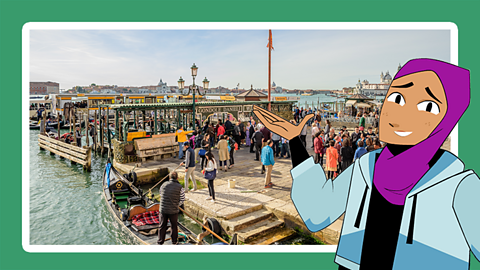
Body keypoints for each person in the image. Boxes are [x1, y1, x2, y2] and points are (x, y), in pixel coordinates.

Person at [253, 58, 480, 269]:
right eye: (398, 98)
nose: (402, 113)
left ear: (448, 118)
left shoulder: (459, 186)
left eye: (427, 106)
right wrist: (295, 141)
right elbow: (317, 213)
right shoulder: (365, 167)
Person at [157, 172, 185, 245]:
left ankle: (160, 242)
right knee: (174, 226)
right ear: (177, 178)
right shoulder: (180, 187)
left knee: (162, 225)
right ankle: (174, 241)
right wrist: (177, 204)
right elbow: (182, 199)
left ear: (169, 178)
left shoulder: (163, 184)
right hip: (173, 210)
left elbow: (161, 193)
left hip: (163, 209)